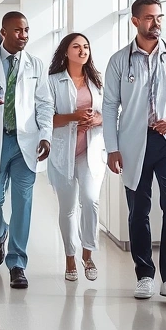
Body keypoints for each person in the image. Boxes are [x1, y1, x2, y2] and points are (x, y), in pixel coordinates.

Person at [102, 0, 166, 301]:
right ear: (135, 21)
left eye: (159, 17)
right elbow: (109, 107)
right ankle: (144, 274)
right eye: (148, 18)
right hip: (134, 143)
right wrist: (112, 148)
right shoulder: (120, 60)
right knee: (138, 211)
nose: (155, 23)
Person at [0, 11, 54, 289]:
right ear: (4, 32)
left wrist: (46, 135)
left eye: (27, 30)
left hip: (25, 142)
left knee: (23, 204)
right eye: (17, 30)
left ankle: (17, 263)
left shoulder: (36, 65)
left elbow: (45, 104)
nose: (24, 35)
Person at [46, 32, 105, 282]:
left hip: (90, 151)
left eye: (86, 47)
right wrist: (74, 117)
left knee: (90, 201)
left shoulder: (97, 81)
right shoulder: (53, 81)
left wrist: (97, 119)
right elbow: (46, 117)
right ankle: (70, 258)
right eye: (77, 46)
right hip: (63, 152)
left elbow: (110, 112)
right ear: (66, 51)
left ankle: (88, 255)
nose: (83, 51)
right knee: (68, 208)